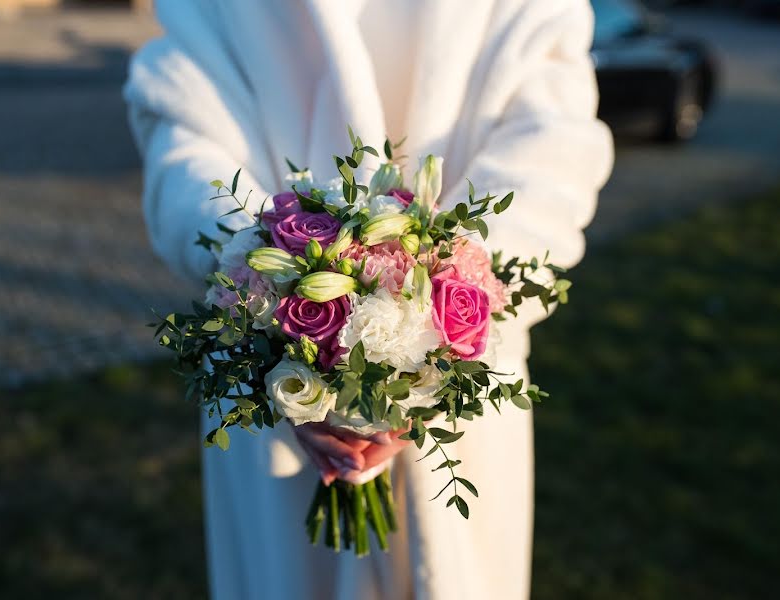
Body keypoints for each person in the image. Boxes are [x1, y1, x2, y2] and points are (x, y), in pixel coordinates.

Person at [124, 1, 613, 598]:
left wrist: (442, 305)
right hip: (268, 373)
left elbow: (550, 142)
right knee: (287, 576)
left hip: (465, 376)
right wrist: (274, 306)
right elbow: (183, 121)